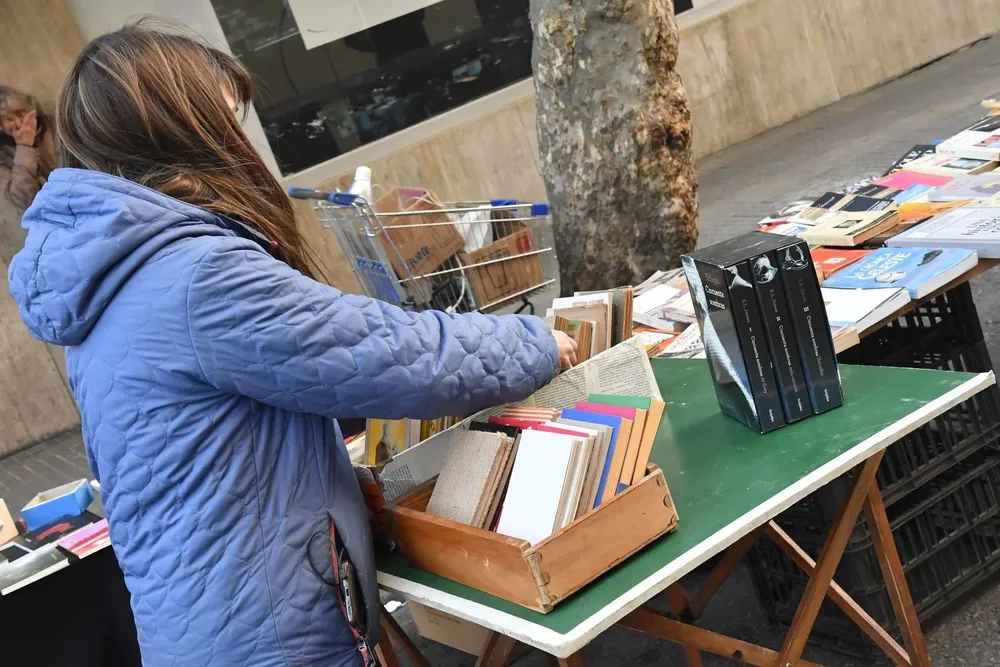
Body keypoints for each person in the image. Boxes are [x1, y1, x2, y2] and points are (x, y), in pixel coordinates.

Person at [8, 23, 577, 667]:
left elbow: (229, 420)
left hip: (200, 620)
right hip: (265, 632)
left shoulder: (105, 275)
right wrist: (536, 343)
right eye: (223, 116)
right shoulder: (194, 274)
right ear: (177, 128)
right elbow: (386, 353)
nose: (238, 138)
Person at [0, 86, 57, 214]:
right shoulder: (3, 156)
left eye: (21, 113)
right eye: (8, 119)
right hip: (48, 219)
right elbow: (23, 200)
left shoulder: (56, 127)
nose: (18, 123)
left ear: (32, 110)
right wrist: (25, 147)